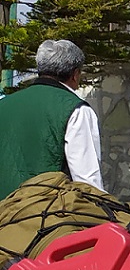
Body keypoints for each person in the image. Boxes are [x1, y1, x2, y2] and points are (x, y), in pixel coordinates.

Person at [0, 38, 103, 201]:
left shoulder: (3, 105)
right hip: (46, 217)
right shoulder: (76, 109)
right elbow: (88, 181)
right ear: (75, 74)